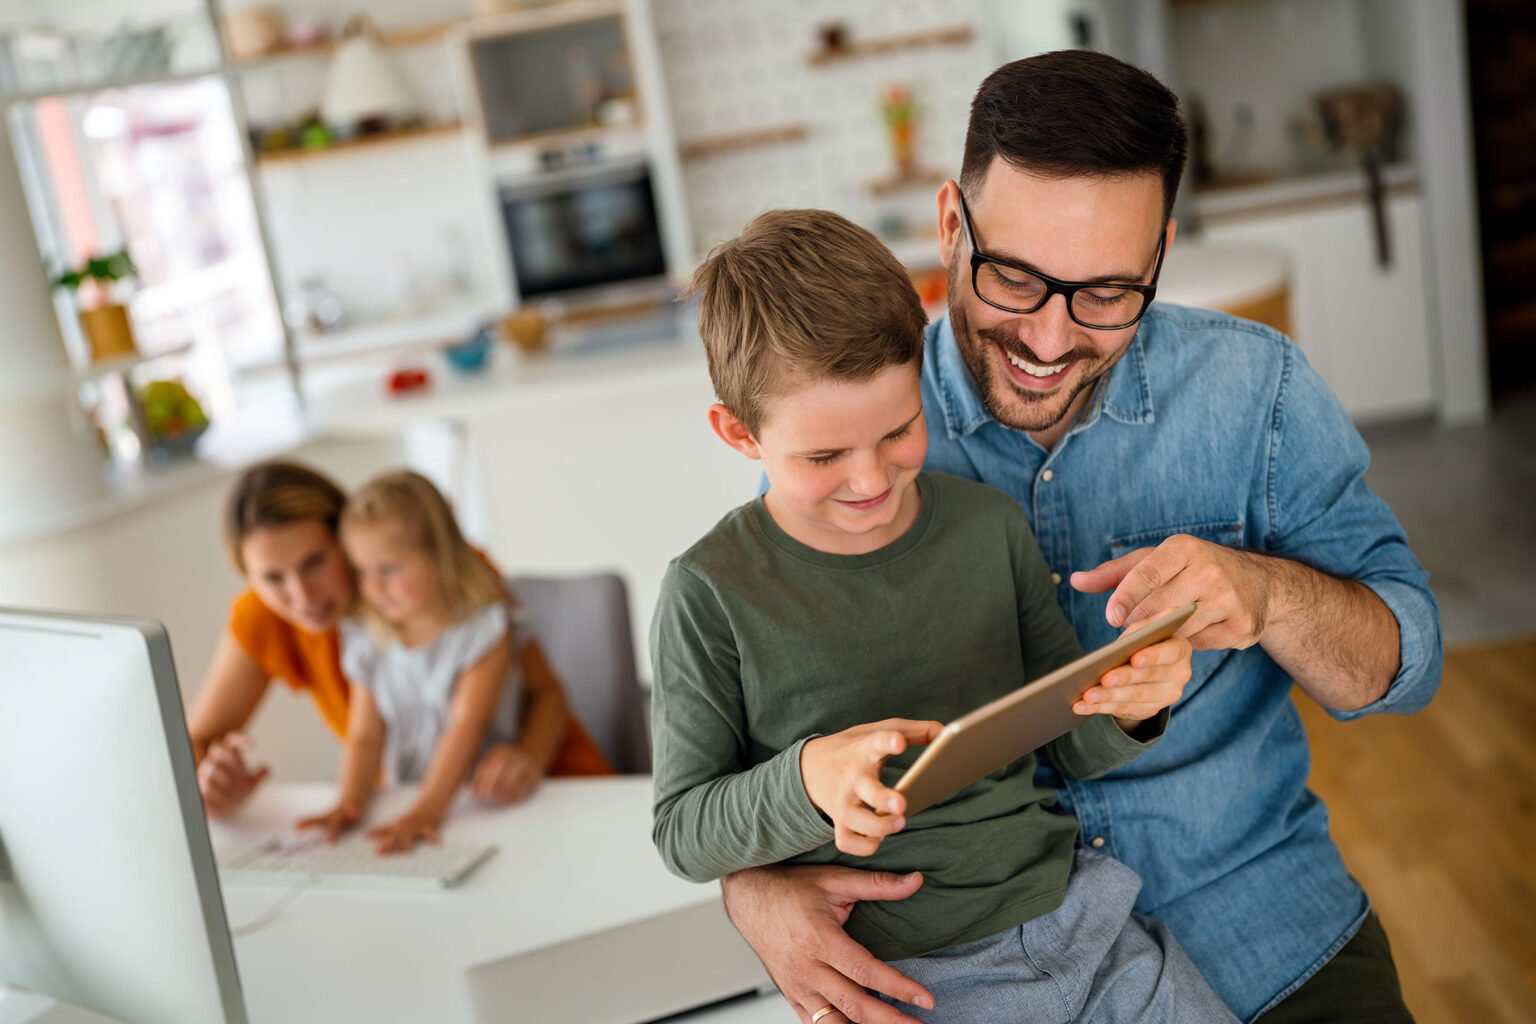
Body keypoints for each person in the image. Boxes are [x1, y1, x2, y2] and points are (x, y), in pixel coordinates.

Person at [717, 51, 1441, 1024]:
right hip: (980, 975)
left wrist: (1269, 594)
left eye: (1106, 292)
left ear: (1159, 256)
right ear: (948, 225)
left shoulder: (1255, 391)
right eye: (1014, 278)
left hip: (1264, 925)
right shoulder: (853, 431)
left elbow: (1403, 661)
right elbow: (734, 747)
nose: (1051, 341)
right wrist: (749, 888)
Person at [651, 208, 1235, 1023]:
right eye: (823, 457)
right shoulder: (708, 593)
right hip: (910, 980)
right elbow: (683, 831)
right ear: (738, 434)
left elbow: (1068, 741)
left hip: (1081, 923)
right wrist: (808, 778)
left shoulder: (987, 526)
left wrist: (1134, 706)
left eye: (898, 431)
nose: (869, 480)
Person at [187, 461, 612, 820]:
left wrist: (528, 758)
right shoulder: (264, 617)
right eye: (271, 578)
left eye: (315, 562)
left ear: (346, 539)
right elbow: (192, 742)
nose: (301, 596)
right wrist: (212, 780)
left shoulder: (444, 576)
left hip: (549, 791)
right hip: (438, 811)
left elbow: (548, 693)